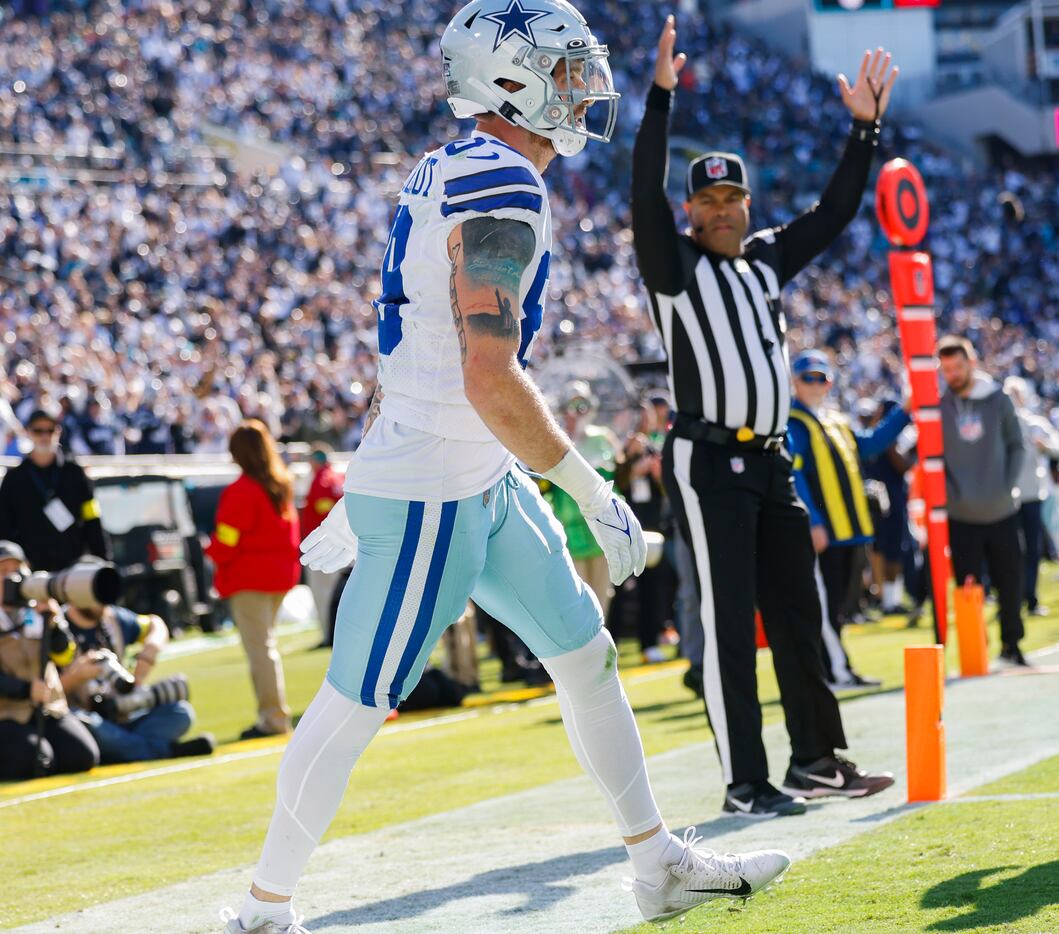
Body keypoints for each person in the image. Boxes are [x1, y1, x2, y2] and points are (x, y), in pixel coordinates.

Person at [220, 4, 790, 932]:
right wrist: (589, 486)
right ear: (510, 81)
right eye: (564, 71)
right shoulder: (500, 185)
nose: (581, 89)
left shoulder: (455, 167)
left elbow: (417, 345)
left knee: (584, 653)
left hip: (469, 472)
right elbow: (487, 370)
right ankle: (261, 911)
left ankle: (655, 863)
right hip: (433, 491)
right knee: (355, 704)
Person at [632, 17, 897, 817]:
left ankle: (816, 759)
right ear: (690, 211)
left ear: (745, 205)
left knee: (799, 612)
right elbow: (642, 191)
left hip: (771, 457)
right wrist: (659, 102)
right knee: (726, 621)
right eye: (705, 199)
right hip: (706, 459)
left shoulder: (766, 258)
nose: (718, 210)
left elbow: (836, 210)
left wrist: (863, 129)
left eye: (729, 197)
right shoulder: (670, 262)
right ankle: (746, 782)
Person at [787, 350, 910, 688]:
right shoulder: (794, 424)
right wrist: (812, 521)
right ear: (795, 381)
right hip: (826, 531)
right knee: (825, 607)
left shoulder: (835, 419)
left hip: (851, 530)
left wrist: (905, 413)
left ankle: (837, 668)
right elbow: (793, 475)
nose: (815, 384)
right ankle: (833, 671)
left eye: (821, 377)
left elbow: (870, 444)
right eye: (807, 377)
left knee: (841, 605)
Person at [207, 420, 301, 739]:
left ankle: (273, 718)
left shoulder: (241, 491)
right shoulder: (281, 484)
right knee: (266, 648)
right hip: (279, 577)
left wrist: (211, 552)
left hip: (251, 580)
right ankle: (273, 715)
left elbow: (226, 542)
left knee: (260, 652)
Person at [937, 337, 1027, 665]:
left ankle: (1012, 646)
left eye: (958, 366)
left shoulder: (997, 399)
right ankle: (976, 652)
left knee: (1010, 582)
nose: (953, 374)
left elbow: (1018, 445)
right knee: (967, 589)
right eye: (946, 369)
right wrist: (949, 493)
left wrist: (1008, 486)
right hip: (961, 515)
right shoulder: (938, 405)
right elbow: (930, 457)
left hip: (1001, 509)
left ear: (971, 363)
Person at [60, 604, 214, 763]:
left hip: (123, 713)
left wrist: (148, 654)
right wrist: (76, 676)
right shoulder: (56, 626)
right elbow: (44, 694)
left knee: (180, 713)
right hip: (86, 717)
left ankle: (122, 750)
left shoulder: (113, 618)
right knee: (85, 723)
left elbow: (157, 624)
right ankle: (165, 750)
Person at [0, 541, 99, 780]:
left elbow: (65, 656)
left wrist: (54, 625)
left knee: (82, 756)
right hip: (7, 713)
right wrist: (25, 689)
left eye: (16, 570)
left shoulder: (39, 609)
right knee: (36, 761)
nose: (10, 578)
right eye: (2, 572)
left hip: (48, 708)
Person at [539, 380, 622, 617]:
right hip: (569, 533)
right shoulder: (554, 440)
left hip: (600, 531)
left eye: (582, 403)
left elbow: (618, 475)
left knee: (602, 598)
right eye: (572, 404)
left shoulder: (604, 438)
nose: (577, 410)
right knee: (579, 603)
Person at [0, 406, 111, 572]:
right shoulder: (14, 479)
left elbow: (92, 518)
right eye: (38, 431)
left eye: (50, 430)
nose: (44, 436)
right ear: (28, 433)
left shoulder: (75, 474)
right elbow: (4, 527)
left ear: (58, 432)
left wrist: (103, 561)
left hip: (72, 570)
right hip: (31, 572)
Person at [1003, 377, 1059, 617]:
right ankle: (1011, 600)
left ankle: (1031, 598)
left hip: (1033, 494)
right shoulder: (1001, 425)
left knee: (1033, 549)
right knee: (1010, 551)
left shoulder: (1036, 423)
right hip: (1008, 497)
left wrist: (1044, 446)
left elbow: (1056, 446)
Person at [299, 443, 346, 647]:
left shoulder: (322, 481)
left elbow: (322, 510)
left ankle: (330, 634)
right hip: (342, 544)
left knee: (324, 592)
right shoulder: (338, 478)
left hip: (324, 546)